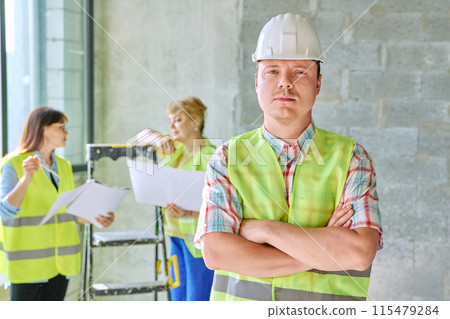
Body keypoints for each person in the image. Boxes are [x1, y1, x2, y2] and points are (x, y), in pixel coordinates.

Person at [194, 13, 383, 301]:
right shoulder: (226, 159)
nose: (285, 83)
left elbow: (358, 254)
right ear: (256, 81)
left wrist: (263, 230)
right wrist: (322, 251)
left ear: (318, 84)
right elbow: (217, 253)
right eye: (272, 71)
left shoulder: (352, 159)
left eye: (300, 72)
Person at [0, 107, 115, 301]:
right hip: (27, 267)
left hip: (61, 265)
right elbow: (5, 211)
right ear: (42, 129)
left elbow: (67, 212)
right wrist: (26, 178)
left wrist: (97, 217)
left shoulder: (64, 166)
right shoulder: (14, 164)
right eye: (62, 127)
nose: (67, 133)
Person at [137, 96, 215, 301]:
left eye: (178, 120)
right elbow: (141, 136)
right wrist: (158, 139)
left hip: (198, 245)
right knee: (177, 299)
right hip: (175, 238)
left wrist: (188, 212)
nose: (171, 125)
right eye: (169, 120)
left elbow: (219, 207)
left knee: (196, 301)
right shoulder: (176, 149)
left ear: (196, 121)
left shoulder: (210, 156)